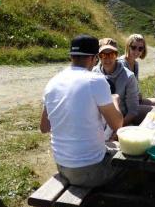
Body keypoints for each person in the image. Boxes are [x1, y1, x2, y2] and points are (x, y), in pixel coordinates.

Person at [40, 34, 123, 188]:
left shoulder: (52, 82)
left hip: (62, 166)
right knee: (131, 161)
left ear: (71, 56)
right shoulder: (95, 80)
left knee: (111, 147)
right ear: (94, 58)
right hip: (90, 170)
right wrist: (115, 100)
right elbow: (117, 124)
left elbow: (44, 128)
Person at [93, 38, 139, 126]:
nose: (107, 59)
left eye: (111, 54)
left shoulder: (129, 76)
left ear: (117, 55)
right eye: (103, 55)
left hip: (122, 120)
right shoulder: (93, 74)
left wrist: (118, 128)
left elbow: (133, 111)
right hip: (98, 120)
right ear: (98, 56)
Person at [118, 33, 155, 115]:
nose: (137, 51)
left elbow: (134, 85)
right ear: (128, 47)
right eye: (133, 47)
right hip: (126, 106)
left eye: (140, 49)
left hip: (135, 100)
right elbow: (120, 92)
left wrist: (138, 93)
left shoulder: (136, 64)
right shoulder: (121, 64)